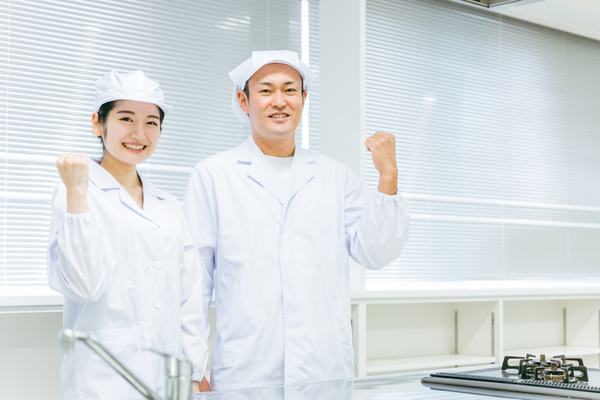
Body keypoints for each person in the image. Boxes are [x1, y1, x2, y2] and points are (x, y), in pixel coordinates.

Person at [184, 50, 410, 391]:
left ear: (303, 99)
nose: (280, 101)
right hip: (246, 370)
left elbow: (376, 253)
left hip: (323, 370)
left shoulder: (335, 177)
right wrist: (192, 368)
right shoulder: (213, 175)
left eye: (290, 90)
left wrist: (388, 175)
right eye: (266, 90)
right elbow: (193, 281)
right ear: (243, 101)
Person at [47, 70, 209, 399]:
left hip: (168, 377)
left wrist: (194, 371)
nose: (139, 133)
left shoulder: (168, 205)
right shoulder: (76, 193)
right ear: (98, 123)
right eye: (126, 118)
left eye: (151, 122)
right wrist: (76, 191)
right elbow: (82, 285)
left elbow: (189, 296)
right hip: (102, 379)